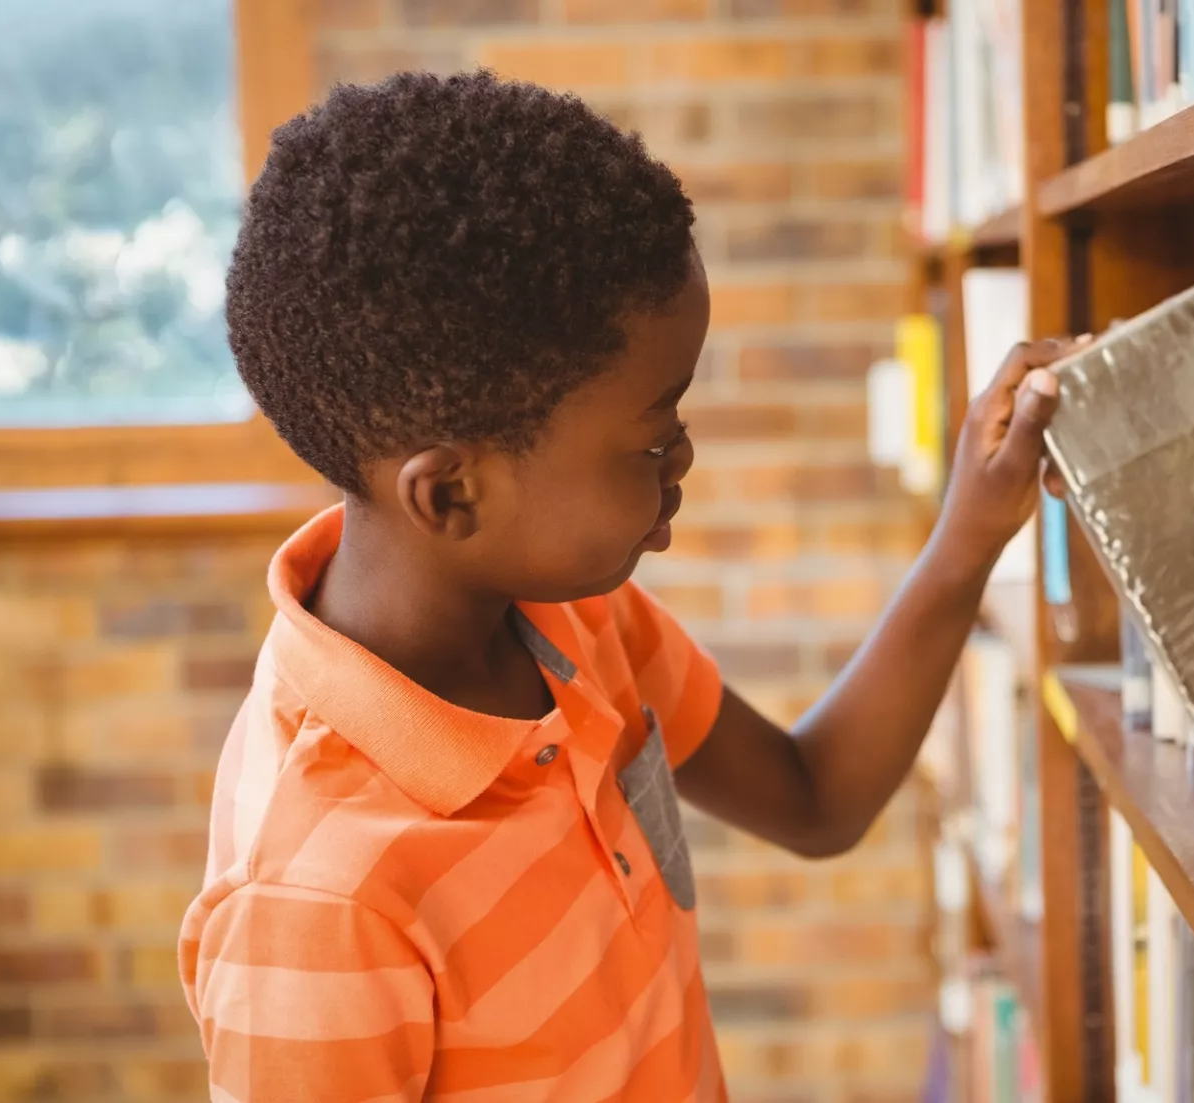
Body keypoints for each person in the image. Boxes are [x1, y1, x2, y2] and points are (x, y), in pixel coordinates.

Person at [179, 69, 1079, 1101]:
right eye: (654, 435)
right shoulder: (314, 893)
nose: (684, 456)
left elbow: (817, 796)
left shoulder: (575, 621)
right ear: (450, 493)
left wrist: (968, 535)